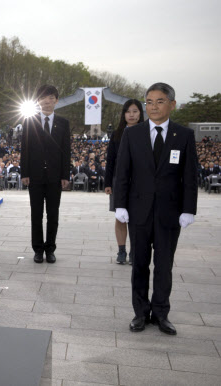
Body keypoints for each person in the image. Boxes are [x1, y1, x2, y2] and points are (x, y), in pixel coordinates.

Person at [114, 83, 198, 335]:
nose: (153, 107)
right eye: (149, 102)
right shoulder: (133, 134)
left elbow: (190, 175)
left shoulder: (183, 135)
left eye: (159, 101)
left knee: (164, 265)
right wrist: (120, 204)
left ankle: (161, 313)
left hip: (169, 213)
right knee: (139, 264)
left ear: (172, 104)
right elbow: (123, 172)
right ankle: (140, 313)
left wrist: (188, 209)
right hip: (139, 211)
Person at [20, 85, 71, 263]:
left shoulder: (63, 123)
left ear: (56, 100)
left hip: (55, 177)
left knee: (53, 214)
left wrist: (65, 175)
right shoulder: (29, 121)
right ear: (38, 101)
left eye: (50, 98)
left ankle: (50, 249)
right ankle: (37, 249)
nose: (46, 101)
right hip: (34, 175)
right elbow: (24, 148)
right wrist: (24, 172)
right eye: (43, 98)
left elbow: (66, 150)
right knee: (36, 214)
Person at [104, 99, 144, 265]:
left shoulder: (146, 132)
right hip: (119, 181)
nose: (132, 115)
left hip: (140, 182)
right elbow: (110, 160)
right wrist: (108, 183)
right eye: (128, 111)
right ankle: (121, 251)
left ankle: (135, 252)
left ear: (140, 113)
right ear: (124, 114)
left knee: (137, 218)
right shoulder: (117, 134)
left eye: (135, 111)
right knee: (120, 217)